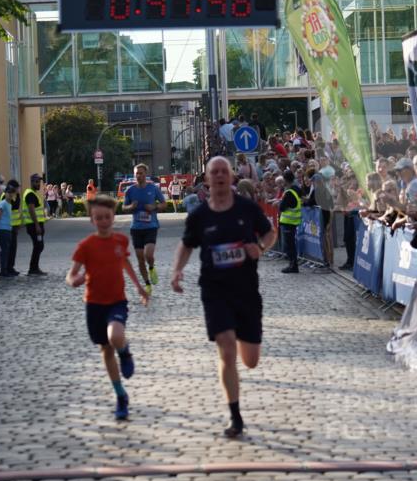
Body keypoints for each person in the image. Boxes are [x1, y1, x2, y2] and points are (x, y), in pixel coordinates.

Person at [170, 156, 276, 438]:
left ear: (230, 177)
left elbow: (269, 233)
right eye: (213, 172)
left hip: (246, 291)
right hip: (214, 290)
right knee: (226, 349)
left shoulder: (247, 208)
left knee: (250, 360)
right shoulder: (199, 216)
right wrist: (177, 271)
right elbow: (186, 244)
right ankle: (235, 415)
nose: (218, 176)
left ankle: (244, 342)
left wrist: (261, 248)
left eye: (223, 172)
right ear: (206, 179)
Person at [66, 194, 149, 420]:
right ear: (92, 220)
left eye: (107, 217)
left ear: (113, 217)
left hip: (116, 301)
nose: (103, 221)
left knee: (115, 336)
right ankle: (120, 395)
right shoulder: (85, 246)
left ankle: (125, 352)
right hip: (94, 304)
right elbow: (71, 275)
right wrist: (74, 280)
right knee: (105, 349)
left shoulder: (121, 241)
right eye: (98, 218)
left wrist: (139, 288)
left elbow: (125, 262)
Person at [123, 163, 166, 295]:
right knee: (140, 258)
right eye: (136, 173)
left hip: (151, 226)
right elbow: (124, 208)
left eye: (141, 173)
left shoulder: (153, 189)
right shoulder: (129, 191)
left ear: (145, 174)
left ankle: (152, 268)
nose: (138, 175)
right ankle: (147, 284)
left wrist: (154, 207)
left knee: (148, 255)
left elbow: (164, 204)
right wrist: (131, 207)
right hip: (136, 228)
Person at [23, 173, 47, 276]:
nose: (39, 184)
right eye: (36, 182)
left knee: (39, 246)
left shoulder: (34, 193)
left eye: (39, 182)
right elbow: (31, 210)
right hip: (33, 225)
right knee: (38, 246)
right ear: (32, 182)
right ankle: (33, 269)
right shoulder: (30, 194)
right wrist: (37, 225)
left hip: (36, 224)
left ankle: (34, 268)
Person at [278, 170, 302, 273]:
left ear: (285, 180)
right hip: (293, 221)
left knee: (290, 245)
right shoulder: (297, 189)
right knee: (291, 244)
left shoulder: (288, 193)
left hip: (288, 222)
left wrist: (279, 203)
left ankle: (293, 266)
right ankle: (293, 264)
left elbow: (282, 207)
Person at [0, 183, 19, 278]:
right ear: (5, 193)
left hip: (8, 229)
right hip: (3, 229)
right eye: (8, 193)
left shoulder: (9, 204)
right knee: (4, 251)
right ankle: (3, 271)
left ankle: (6, 269)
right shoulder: (3, 203)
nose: (10, 195)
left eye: (12, 193)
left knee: (7, 251)